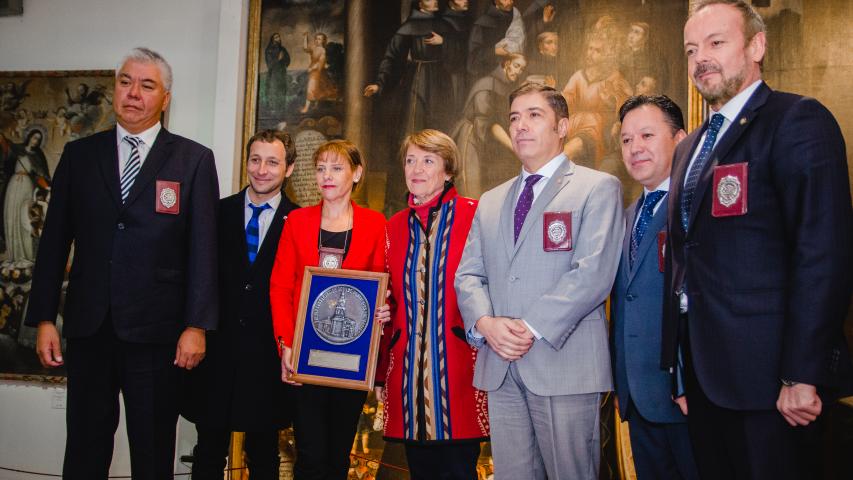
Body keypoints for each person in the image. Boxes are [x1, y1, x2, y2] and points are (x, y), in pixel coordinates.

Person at [662, 2, 853, 479]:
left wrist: (801, 374)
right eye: (691, 49)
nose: (700, 58)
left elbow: (823, 255)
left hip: (774, 384)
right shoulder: (688, 148)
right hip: (706, 383)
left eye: (716, 43)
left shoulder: (797, 121)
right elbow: (686, 262)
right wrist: (680, 370)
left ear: (757, 46)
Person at [24, 47, 219, 479]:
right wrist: (42, 319)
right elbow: (54, 243)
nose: (133, 93)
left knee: (152, 452)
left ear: (165, 98)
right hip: (90, 329)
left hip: (158, 334)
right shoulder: (79, 156)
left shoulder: (193, 160)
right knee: (85, 449)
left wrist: (197, 326)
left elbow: (204, 251)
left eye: (147, 85)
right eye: (125, 82)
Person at [455, 82, 624, 479]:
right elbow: (469, 274)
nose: (520, 126)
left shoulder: (596, 187)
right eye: (514, 117)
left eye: (534, 115)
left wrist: (527, 327)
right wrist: (486, 324)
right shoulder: (492, 200)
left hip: (563, 364)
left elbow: (593, 273)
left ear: (563, 126)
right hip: (501, 366)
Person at [183, 130, 299, 480]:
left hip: (267, 361)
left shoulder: (298, 222)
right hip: (216, 355)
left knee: (264, 456)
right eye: (255, 160)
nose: (262, 170)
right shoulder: (215, 213)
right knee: (207, 453)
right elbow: (195, 275)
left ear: (289, 168)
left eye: (273, 162)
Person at [270, 139, 387, 480]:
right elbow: (280, 287)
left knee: (337, 457)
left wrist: (385, 309)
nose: (327, 176)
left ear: (356, 173)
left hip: (351, 363)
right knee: (308, 456)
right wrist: (285, 344)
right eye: (321, 168)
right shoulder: (297, 221)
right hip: (305, 358)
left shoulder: (375, 224)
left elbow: (383, 286)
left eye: (336, 168)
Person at [375, 129, 488, 479]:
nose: (417, 169)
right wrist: (385, 308)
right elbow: (388, 300)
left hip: (461, 375)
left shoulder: (477, 215)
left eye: (428, 160)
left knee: (458, 471)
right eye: (411, 160)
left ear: (448, 170)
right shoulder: (393, 227)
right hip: (408, 377)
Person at [611, 95, 699, 480]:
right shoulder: (625, 217)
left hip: (687, 397)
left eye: (646, 134)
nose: (635, 148)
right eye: (626, 140)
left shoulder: (697, 208)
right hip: (638, 397)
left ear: (679, 138)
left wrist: (690, 380)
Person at [451, 53, 526, 198]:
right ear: (506, 63)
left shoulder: (506, 86)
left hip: (486, 140)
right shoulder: (486, 85)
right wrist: (513, 147)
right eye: (516, 66)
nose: (518, 72)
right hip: (471, 139)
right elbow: (487, 124)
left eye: (522, 69)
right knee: (470, 187)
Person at [4, 128, 50, 261]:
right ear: (29, 136)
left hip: (26, 187)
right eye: (34, 137)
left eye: (38, 139)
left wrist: (48, 187)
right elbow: (6, 155)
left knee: (24, 218)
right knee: (12, 216)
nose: (35, 141)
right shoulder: (17, 150)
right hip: (13, 186)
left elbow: (41, 176)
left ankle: (26, 255)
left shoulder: (36, 156)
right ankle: (14, 255)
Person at [301, 33, 338, 113]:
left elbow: (320, 63)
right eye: (316, 39)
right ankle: (315, 106)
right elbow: (305, 48)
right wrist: (305, 37)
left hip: (318, 71)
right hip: (313, 71)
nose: (317, 41)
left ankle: (306, 108)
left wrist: (311, 68)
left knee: (311, 88)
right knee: (316, 88)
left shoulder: (323, 50)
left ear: (323, 41)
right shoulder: (314, 48)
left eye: (319, 39)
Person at [265, 33, 291, 112]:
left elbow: (288, 60)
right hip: (273, 74)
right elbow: (269, 64)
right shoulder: (269, 50)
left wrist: (284, 61)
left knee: (282, 91)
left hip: (282, 73)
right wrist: (278, 59)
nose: (278, 38)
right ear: (272, 39)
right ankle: (273, 109)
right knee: (274, 90)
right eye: (276, 37)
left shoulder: (283, 49)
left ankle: (281, 109)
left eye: (279, 37)